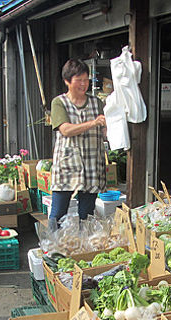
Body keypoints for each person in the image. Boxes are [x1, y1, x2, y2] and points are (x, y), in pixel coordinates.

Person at [48, 59, 106, 230]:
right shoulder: (59, 102)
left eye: (86, 79)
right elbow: (65, 130)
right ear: (67, 81)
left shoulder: (97, 103)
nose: (83, 84)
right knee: (58, 212)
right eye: (79, 80)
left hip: (92, 165)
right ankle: (52, 249)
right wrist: (93, 123)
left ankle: (84, 249)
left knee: (87, 215)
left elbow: (104, 131)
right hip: (67, 165)